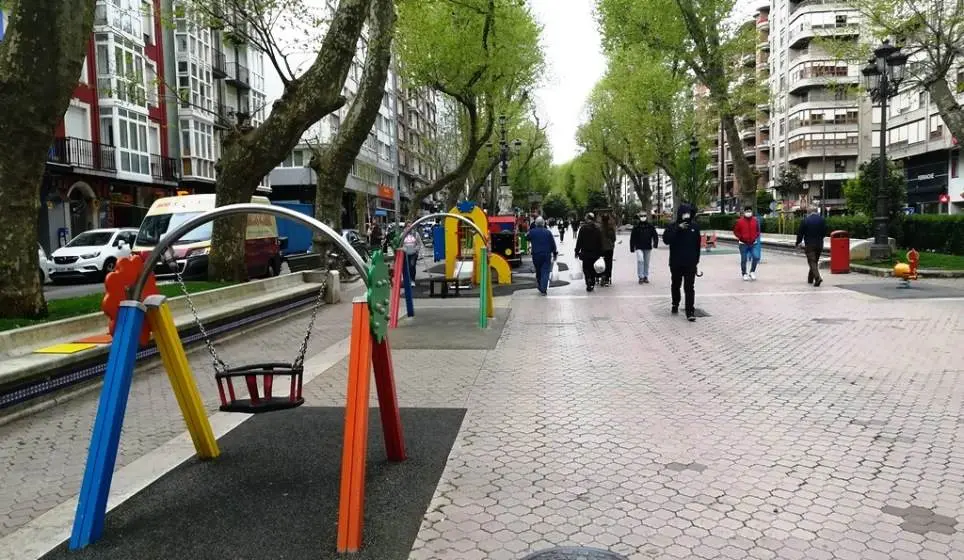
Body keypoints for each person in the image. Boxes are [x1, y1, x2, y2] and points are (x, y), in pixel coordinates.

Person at [662, 203, 701, 322]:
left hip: (690, 263)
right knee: (676, 285)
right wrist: (678, 229)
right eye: (684, 213)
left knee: (689, 287)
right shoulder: (672, 226)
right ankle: (675, 303)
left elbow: (697, 245)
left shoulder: (694, 227)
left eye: (688, 213)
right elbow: (666, 240)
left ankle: (690, 311)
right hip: (676, 262)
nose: (686, 215)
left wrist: (696, 261)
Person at [795, 206, 827, 287]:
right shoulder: (822, 220)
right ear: (816, 211)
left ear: (808, 212)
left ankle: (817, 278)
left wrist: (798, 243)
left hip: (809, 244)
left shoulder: (805, 220)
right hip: (819, 244)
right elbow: (824, 232)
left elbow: (800, 233)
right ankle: (810, 279)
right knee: (814, 261)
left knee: (812, 261)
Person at [526, 216, 558, 296]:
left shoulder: (532, 232)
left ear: (536, 224)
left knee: (538, 270)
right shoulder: (548, 232)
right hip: (546, 254)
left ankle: (541, 285)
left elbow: (527, 238)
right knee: (545, 271)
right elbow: (553, 244)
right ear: (543, 223)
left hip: (536, 254)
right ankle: (543, 288)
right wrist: (554, 253)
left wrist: (531, 229)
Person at [574, 212, 603, 292]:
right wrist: (601, 253)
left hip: (585, 252)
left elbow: (579, 241)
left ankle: (588, 281)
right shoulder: (597, 228)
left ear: (588, 218)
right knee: (593, 268)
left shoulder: (583, 228)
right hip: (595, 253)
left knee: (586, 268)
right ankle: (592, 282)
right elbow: (600, 242)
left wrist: (576, 251)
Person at [733, 205, 761, 281]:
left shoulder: (755, 221)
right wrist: (741, 237)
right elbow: (736, 231)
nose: (748, 212)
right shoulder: (740, 221)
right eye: (747, 211)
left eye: (750, 211)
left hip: (753, 243)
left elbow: (758, 231)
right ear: (744, 212)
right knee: (744, 259)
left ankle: (752, 271)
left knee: (756, 257)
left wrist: (755, 237)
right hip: (743, 244)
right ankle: (744, 273)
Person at [629, 213, 658, 284]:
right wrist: (632, 247)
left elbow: (655, 235)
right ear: (639, 217)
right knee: (640, 260)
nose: (643, 217)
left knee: (646, 262)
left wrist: (655, 243)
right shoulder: (636, 227)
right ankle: (640, 276)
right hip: (638, 247)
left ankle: (645, 276)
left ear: (646, 217)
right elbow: (632, 238)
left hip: (647, 247)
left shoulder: (650, 226)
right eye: (641, 216)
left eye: (644, 216)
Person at [599, 213, 617, 286]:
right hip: (609, 248)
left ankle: (602, 275)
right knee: (609, 263)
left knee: (601, 262)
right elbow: (614, 239)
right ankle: (607, 278)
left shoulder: (599, 228)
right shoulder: (610, 228)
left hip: (601, 248)